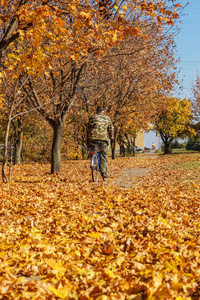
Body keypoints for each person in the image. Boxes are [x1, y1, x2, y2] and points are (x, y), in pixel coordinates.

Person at [87, 106, 114, 181]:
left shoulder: (92, 117)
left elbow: (88, 128)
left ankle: (92, 158)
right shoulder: (107, 118)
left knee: (92, 149)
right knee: (103, 154)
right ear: (103, 112)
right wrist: (111, 137)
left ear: (96, 111)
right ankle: (104, 173)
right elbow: (111, 128)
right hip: (103, 138)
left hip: (92, 138)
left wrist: (88, 139)